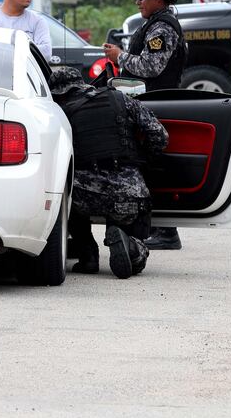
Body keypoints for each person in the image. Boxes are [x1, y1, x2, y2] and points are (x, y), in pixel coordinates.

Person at [49, 67, 169, 279]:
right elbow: (160, 136)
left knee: (63, 197)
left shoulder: (59, 113)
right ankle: (130, 245)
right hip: (128, 192)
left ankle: (88, 255)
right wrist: (143, 160)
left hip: (81, 196)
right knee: (132, 224)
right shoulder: (120, 99)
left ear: (59, 93)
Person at [102, 0, 187, 251]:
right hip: (148, 104)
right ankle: (154, 227)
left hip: (157, 105)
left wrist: (120, 57)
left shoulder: (162, 28)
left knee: (152, 165)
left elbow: (152, 68)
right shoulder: (153, 24)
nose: (138, 1)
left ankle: (166, 231)